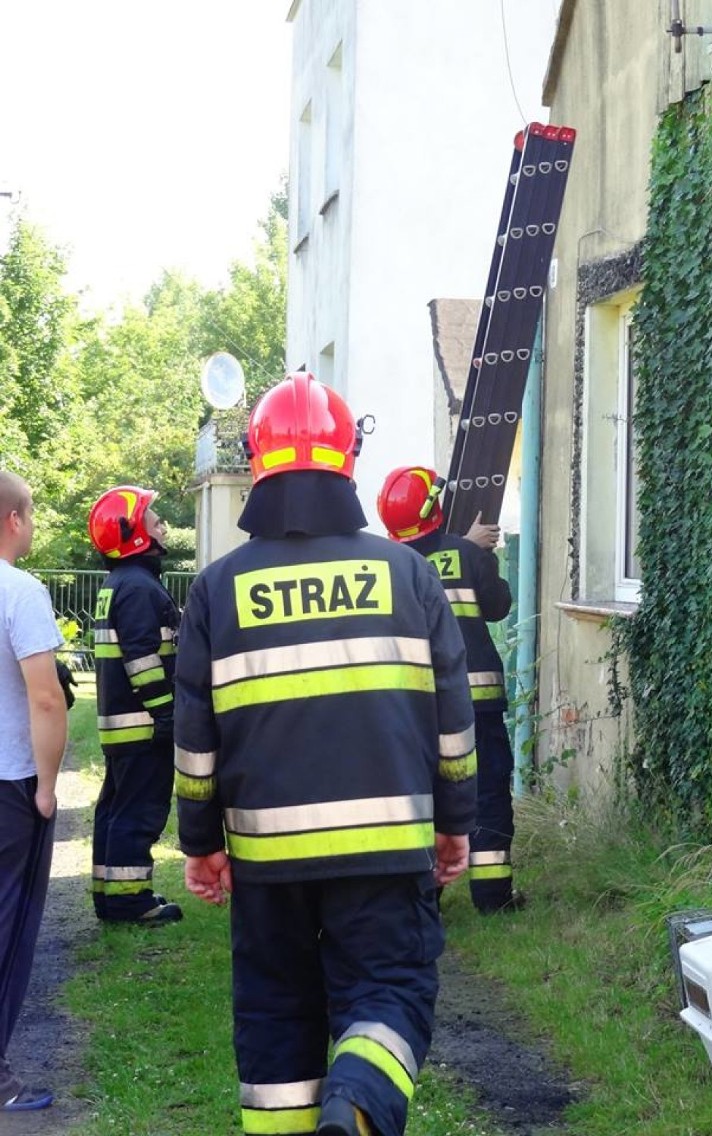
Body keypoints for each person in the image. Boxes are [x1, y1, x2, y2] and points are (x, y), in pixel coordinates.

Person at [174, 373, 476, 1136]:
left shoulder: (217, 589)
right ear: (349, 458)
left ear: (257, 462)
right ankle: (357, 1108)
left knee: (276, 1008)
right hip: (386, 847)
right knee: (389, 991)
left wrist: (203, 845)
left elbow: (195, 744)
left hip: (265, 855)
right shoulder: (407, 574)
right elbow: (452, 721)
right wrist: (455, 823)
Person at [378, 466, 524, 915]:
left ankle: (426, 897)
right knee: (488, 796)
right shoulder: (467, 552)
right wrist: (478, 552)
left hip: (415, 710)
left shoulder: (384, 567)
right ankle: (493, 898)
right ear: (433, 507)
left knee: (425, 798)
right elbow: (498, 606)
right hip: (476, 709)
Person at [0, 471, 68, 1112]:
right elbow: (46, 698)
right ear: (15, 519)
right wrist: (47, 789)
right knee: (8, 926)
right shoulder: (19, 592)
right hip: (10, 783)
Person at [88, 485, 182, 925]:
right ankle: (131, 902)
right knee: (139, 812)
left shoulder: (120, 584)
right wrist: (166, 713)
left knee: (115, 810)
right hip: (144, 727)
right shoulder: (140, 588)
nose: (161, 523)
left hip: (122, 726)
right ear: (132, 533)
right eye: (153, 517)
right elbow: (144, 661)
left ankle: (111, 894)